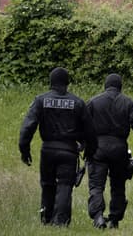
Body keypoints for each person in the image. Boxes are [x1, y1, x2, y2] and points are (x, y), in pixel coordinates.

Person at [19, 67, 93, 226]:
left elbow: (27, 127)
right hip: (69, 151)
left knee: (47, 184)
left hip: (48, 150)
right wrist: (88, 149)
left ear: (51, 82)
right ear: (67, 83)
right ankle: (60, 222)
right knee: (65, 185)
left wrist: (24, 150)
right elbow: (89, 130)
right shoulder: (78, 103)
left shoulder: (40, 100)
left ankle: (46, 218)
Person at [86, 73, 133, 229]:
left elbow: (83, 125)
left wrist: (82, 145)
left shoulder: (94, 102)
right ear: (120, 87)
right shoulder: (128, 102)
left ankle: (98, 216)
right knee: (118, 185)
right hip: (119, 149)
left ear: (105, 86)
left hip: (97, 148)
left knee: (96, 185)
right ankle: (114, 219)